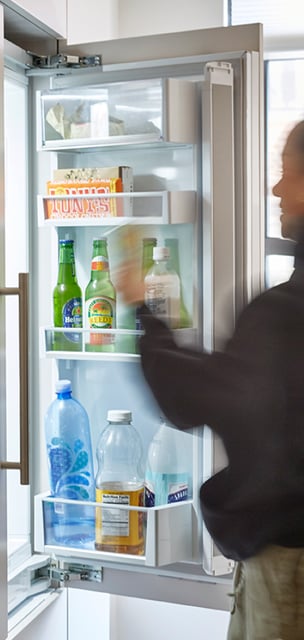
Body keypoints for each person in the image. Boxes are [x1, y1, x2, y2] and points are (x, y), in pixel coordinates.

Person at [115, 120, 304, 640]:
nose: (276, 189)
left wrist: (141, 308)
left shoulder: (283, 314)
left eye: (289, 174)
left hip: (291, 570)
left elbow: (193, 399)